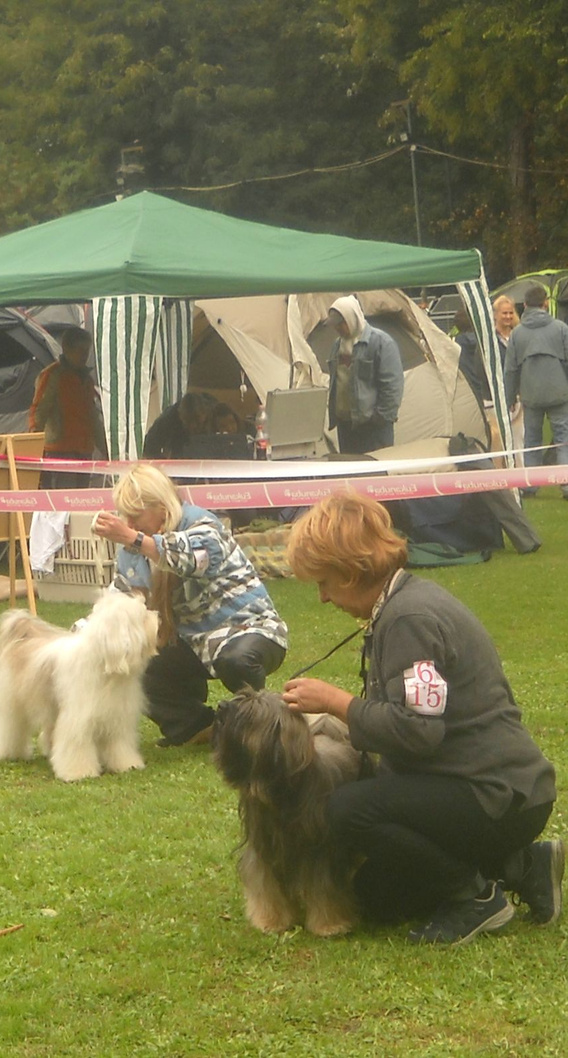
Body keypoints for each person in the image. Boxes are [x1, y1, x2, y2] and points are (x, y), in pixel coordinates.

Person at [282, 491, 560, 943]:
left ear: (352, 571)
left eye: (324, 582)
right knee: (376, 899)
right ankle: (523, 865)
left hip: (496, 795)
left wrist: (337, 703)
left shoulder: (408, 618)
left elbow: (418, 731)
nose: (323, 598)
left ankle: (475, 899)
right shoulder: (400, 605)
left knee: (347, 811)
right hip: (490, 790)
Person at [93, 463, 287, 747]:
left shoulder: (202, 524)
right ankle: (196, 726)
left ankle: (257, 729)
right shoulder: (130, 553)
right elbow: (118, 603)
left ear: (161, 506)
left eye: (135, 515)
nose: (129, 523)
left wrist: (133, 538)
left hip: (246, 630)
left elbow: (193, 560)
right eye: (124, 515)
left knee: (236, 660)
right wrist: (79, 640)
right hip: (189, 641)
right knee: (134, 664)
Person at [503, 282, 568, 500]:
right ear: (546, 304)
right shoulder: (560, 328)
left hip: (530, 394)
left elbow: (511, 369)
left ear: (525, 306)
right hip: (559, 392)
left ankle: (530, 485)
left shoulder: (517, 334)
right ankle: (566, 484)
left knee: (532, 440)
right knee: (563, 438)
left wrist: (510, 396)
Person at [324, 295, 403, 455]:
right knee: (351, 474)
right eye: (335, 325)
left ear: (352, 318)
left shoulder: (381, 343)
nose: (338, 328)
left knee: (376, 473)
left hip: (373, 427)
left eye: (341, 323)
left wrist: (379, 419)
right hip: (346, 425)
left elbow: (392, 386)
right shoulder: (337, 346)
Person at [29, 328, 107, 489]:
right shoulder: (52, 376)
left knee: (80, 501)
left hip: (84, 451)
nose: (85, 356)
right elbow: (38, 411)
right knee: (63, 501)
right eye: (81, 351)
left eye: (87, 351)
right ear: (67, 348)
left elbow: (93, 417)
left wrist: (105, 448)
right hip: (60, 452)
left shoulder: (87, 380)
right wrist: (33, 446)